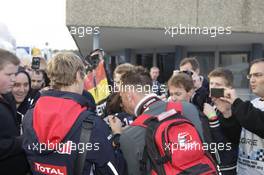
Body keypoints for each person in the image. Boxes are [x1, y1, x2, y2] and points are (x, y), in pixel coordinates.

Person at [22, 52, 125, 175]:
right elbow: (113, 171)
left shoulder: (30, 115)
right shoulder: (92, 124)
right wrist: (117, 138)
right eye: (84, 76)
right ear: (77, 75)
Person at [109, 68, 208, 175]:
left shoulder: (130, 135)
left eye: (121, 97)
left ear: (128, 96)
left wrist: (117, 135)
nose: (122, 103)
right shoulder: (188, 109)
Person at [220, 58, 264, 174]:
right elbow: (236, 137)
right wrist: (227, 113)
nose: (252, 80)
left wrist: (236, 101)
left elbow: (259, 123)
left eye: (258, 75)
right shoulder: (252, 104)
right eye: (250, 76)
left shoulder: (245, 108)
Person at [203, 68, 239, 175]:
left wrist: (213, 118)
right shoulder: (212, 104)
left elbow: (226, 144)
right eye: (211, 83)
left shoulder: (234, 109)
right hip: (212, 164)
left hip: (227, 168)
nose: (213, 87)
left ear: (229, 88)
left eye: (218, 84)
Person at [0, 49, 29, 174]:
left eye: (14, 74)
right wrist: (22, 141)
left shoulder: (7, 97)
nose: (13, 79)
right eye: (8, 74)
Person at [12, 67, 32, 134]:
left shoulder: (32, 112)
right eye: (17, 85)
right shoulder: (3, 112)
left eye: (26, 85)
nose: (22, 90)